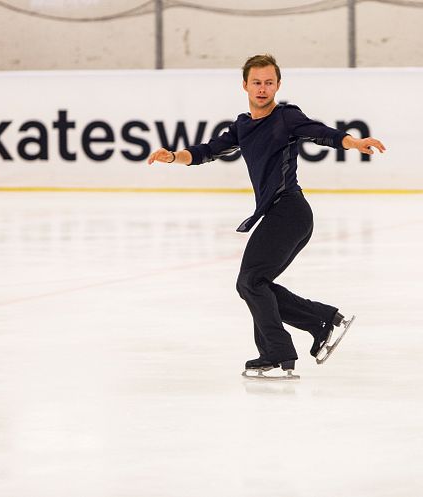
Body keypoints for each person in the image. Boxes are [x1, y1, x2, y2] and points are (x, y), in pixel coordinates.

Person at [147, 54, 385, 374]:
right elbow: (207, 151)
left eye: (269, 82)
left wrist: (352, 142)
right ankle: (322, 323)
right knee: (255, 283)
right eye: (256, 82)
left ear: (278, 85)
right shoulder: (243, 126)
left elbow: (320, 132)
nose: (262, 88)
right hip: (279, 214)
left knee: (250, 283)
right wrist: (174, 156)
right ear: (245, 85)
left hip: (290, 211)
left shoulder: (286, 117)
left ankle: (281, 348)